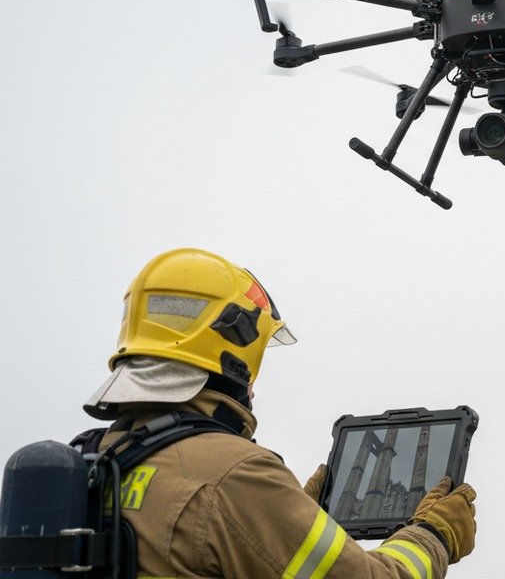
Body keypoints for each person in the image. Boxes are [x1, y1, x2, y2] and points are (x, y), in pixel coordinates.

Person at [82, 247, 476, 579]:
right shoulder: (235, 476)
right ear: (236, 352)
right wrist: (434, 533)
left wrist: (292, 520)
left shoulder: (95, 460)